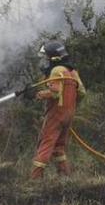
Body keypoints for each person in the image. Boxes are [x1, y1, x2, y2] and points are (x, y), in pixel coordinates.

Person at [31, 41, 86, 180]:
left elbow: (55, 92)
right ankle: (66, 176)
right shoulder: (72, 72)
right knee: (59, 146)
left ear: (54, 58)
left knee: (45, 143)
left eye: (46, 57)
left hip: (56, 113)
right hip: (68, 114)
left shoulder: (56, 71)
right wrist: (71, 106)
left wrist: (38, 95)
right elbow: (82, 93)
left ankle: (34, 180)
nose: (45, 61)